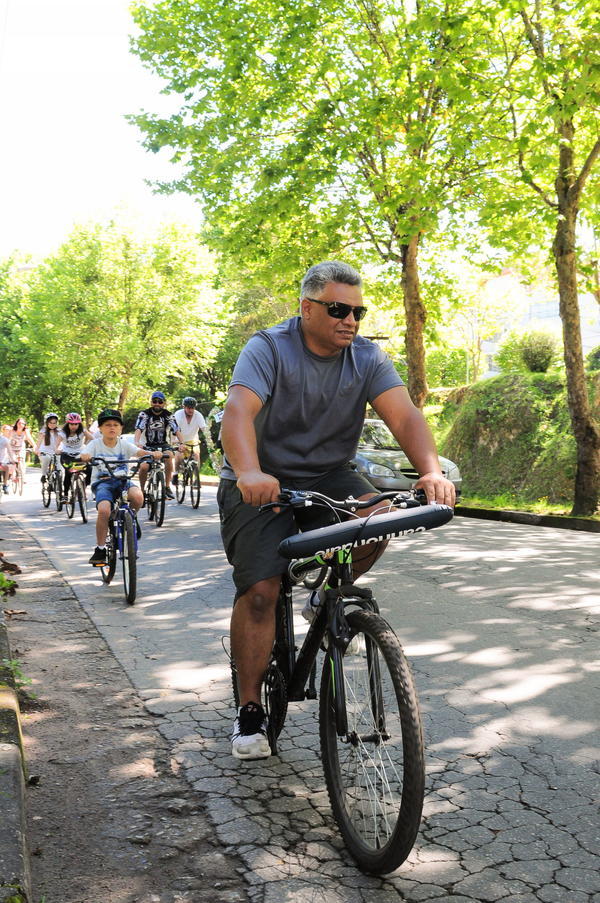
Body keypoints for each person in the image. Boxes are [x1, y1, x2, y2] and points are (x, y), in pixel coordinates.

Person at [218, 260, 456, 760]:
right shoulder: (269, 348)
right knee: (260, 591)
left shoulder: (367, 358)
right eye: (338, 309)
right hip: (262, 477)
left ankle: (322, 595)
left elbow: (404, 414)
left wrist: (430, 470)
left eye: (358, 311)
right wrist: (248, 472)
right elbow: (238, 411)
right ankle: (249, 710)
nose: (350, 320)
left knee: (382, 515)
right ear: (307, 308)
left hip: (329, 474)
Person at [80, 408, 162, 566]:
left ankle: (131, 517)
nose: (112, 428)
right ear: (101, 429)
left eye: (116, 425)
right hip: (103, 483)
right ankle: (100, 549)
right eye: (108, 425)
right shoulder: (95, 444)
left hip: (123, 481)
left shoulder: (124, 444)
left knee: (138, 497)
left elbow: (139, 452)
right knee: (104, 510)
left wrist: (152, 454)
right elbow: (86, 454)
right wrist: (85, 457)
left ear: (121, 428)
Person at [134, 391, 183, 499]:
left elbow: (176, 430)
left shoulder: (168, 415)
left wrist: (181, 443)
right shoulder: (144, 414)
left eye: (160, 401)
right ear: (151, 402)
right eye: (154, 401)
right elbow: (139, 429)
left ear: (164, 403)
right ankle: (142, 491)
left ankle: (167, 487)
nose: (157, 404)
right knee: (144, 467)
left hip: (163, 445)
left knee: (169, 456)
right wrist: (137, 443)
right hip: (148, 446)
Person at [55, 413, 94, 501]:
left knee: (90, 470)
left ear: (79, 424)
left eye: (76, 424)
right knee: (69, 472)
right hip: (67, 456)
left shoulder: (82, 431)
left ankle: (81, 487)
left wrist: (90, 448)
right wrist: (57, 450)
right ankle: (65, 495)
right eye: (71, 424)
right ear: (67, 423)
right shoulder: (63, 433)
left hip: (80, 455)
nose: (74, 426)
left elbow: (93, 439)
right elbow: (56, 445)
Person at [172, 396, 206, 482]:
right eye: (189, 408)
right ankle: (175, 473)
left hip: (192, 439)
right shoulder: (178, 414)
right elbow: (174, 429)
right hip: (179, 439)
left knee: (196, 455)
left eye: (193, 408)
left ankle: (196, 478)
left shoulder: (198, 415)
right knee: (179, 456)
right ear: (184, 407)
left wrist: (208, 439)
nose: (191, 410)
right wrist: (174, 441)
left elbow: (204, 429)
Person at [34, 413, 60, 482]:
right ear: (47, 423)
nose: (52, 425)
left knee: (60, 462)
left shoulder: (59, 431)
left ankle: (59, 480)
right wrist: (37, 450)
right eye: (50, 423)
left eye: (54, 423)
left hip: (55, 452)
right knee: (46, 458)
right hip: (44, 452)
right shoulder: (43, 431)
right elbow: (39, 442)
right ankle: (43, 475)